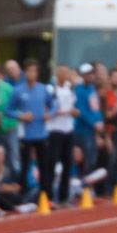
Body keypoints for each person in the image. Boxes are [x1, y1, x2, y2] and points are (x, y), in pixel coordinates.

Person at [5, 59, 55, 201]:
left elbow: (52, 106)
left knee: (44, 166)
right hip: (25, 135)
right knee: (24, 167)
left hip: (41, 133)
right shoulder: (18, 90)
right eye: (28, 71)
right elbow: (7, 110)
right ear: (24, 72)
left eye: (34, 71)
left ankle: (46, 197)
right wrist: (21, 115)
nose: (31, 74)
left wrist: (48, 115)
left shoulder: (43, 89)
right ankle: (21, 198)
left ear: (37, 73)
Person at [46, 65, 77, 204]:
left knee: (67, 163)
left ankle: (64, 197)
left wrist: (73, 112)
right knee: (52, 162)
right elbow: (48, 111)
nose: (66, 74)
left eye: (67, 72)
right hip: (55, 129)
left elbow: (72, 106)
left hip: (67, 129)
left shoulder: (69, 89)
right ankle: (49, 195)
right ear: (57, 74)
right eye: (63, 72)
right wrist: (64, 112)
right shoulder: (51, 89)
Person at [73, 63, 104, 177]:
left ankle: (87, 184)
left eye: (92, 73)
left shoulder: (92, 90)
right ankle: (82, 184)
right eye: (87, 74)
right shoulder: (78, 91)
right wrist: (94, 123)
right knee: (83, 159)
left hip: (92, 131)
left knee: (92, 159)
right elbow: (80, 111)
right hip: (82, 131)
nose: (90, 76)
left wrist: (100, 121)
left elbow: (96, 109)